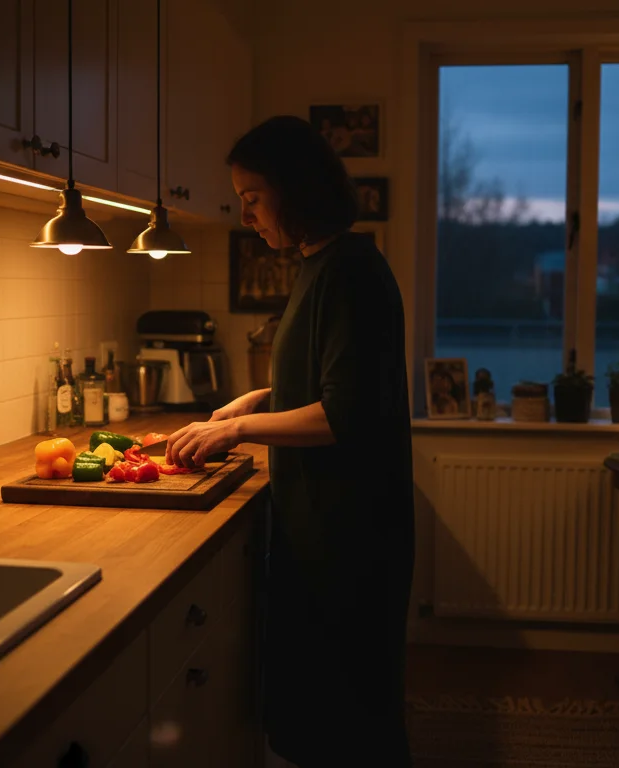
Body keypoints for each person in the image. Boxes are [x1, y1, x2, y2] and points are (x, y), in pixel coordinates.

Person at [165, 115, 415, 767]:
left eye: (252, 199)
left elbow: (342, 416)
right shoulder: (316, 266)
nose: (246, 216)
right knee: (321, 714)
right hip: (321, 525)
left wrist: (239, 428)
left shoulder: (353, 273)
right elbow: (322, 377)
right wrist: (251, 401)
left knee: (352, 720)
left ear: (295, 190)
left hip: (351, 535)